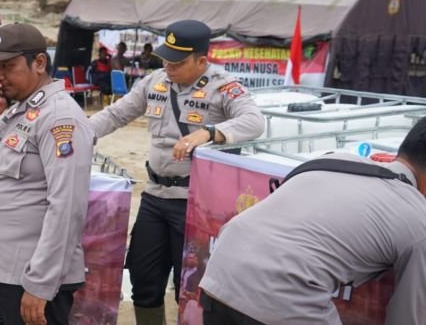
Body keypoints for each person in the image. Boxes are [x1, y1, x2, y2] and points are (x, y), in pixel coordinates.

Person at [88, 20, 264, 325]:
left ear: (201, 61)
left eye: (178, 62)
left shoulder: (222, 86)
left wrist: (209, 132)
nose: (168, 67)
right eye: (166, 59)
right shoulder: (155, 81)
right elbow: (117, 114)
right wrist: (79, 133)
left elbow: (254, 122)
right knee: (143, 277)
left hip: (193, 203)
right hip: (154, 197)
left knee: (189, 285)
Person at [199, 118, 426, 325]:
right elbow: (410, 317)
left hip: (219, 275)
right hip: (282, 297)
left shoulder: (334, 159)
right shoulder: (417, 218)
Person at [0, 23, 94, 325]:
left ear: (39, 63)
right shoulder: (18, 110)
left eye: (8, 66)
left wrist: (41, 284)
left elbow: (67, 207)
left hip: (31, 278)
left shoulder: (59, 117)